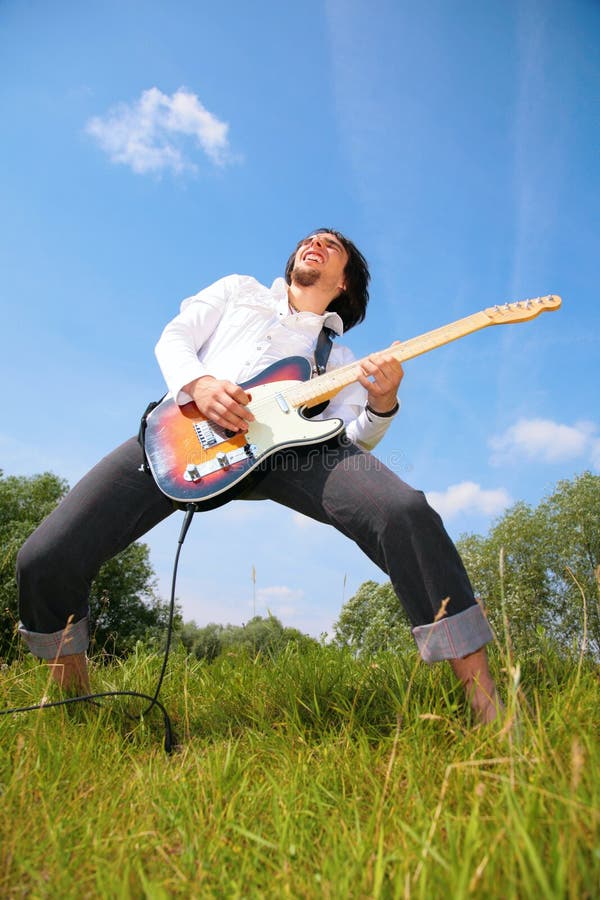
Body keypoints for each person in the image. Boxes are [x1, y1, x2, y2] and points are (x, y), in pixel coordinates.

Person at [16, 229, 502, 723]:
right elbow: (175, 337)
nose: (315, 242)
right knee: (43, 558)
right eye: (311, 239)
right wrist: (199, 384)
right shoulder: (238, 290)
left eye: (332, 246)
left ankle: (488, 706)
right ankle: (75, 707)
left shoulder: (338, 360)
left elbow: (353, 439)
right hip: (183, 433)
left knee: (404, 512)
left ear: (345, 285)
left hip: (288, 453)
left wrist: (382, 404)